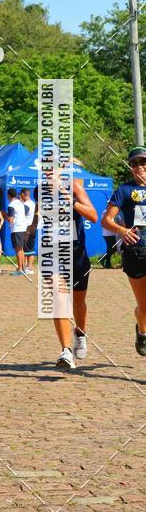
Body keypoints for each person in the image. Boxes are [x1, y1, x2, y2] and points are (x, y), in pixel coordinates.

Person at [33, 172, 97, 369]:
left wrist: (72, 202)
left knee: (79, 304)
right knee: (59, 298)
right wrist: (33, 225)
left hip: (77, 255)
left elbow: (93, 216)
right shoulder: (39, 191)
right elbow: (39, 210)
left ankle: (80, 333)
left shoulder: (74, 187)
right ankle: (66, 351)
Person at [102, 146, 146, 356]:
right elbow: (106, 221)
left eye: (143, 162)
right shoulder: (124, 190)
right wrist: (122, 230)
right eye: (135, 163)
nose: (140, 166)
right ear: (130, 167)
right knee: (144, 308)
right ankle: (142, 331)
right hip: (136, 252)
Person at [6, 187, 26, 275]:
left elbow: (10, 219)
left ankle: (20, 270)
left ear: (8, 196)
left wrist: (4, 215)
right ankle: (23, 268)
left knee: (18, 250)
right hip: (22, 228)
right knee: (21, 249)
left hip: (16, 229)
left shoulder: (11, 205)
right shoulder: (21, 203)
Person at [20, 187, 36, 275]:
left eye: (20, 195)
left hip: (27, 229)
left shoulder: (26, 204)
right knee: (29, 248)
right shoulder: (32, 203)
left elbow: (22, 215)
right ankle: (28, 267)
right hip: (32, 228)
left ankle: (29, 268)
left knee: (28, 249)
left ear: (23, 194)